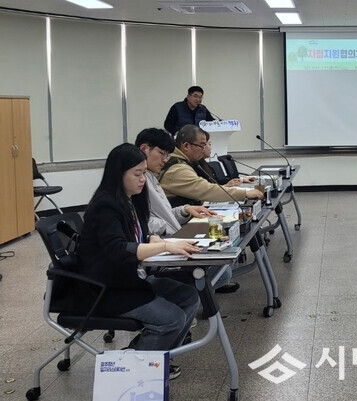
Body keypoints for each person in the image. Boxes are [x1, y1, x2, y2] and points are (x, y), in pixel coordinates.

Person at [77, 143, 200, 379]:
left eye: (144, 173)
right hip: (106, 289)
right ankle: (134, 363)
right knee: (172, 319)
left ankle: (159, 356)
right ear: (118, 174)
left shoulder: (129, 200)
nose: (143, 179)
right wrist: (164, 246)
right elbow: (118, 249)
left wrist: (153, 239)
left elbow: (136, 237)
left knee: (189, 296)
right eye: (137, 174)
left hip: (129, 280)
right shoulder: (105, 205)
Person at [135, 128, 240, 294]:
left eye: (167, 155)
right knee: (221, 271)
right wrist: (166, 229)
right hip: (161, 246)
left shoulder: (151, 177)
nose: (165, 160)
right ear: (144, 149)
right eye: (162, 153)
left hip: (171, 238)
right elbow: (140, 224)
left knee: (224, 254)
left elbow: (164, 214)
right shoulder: (139, 182)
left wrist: (185, 210)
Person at [159, 124, 264, 207]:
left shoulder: (184, 162)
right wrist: (244, 194)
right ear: (186, 146)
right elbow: (206, 190)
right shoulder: (178, 169)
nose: (204, 149)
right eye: (202, 145)